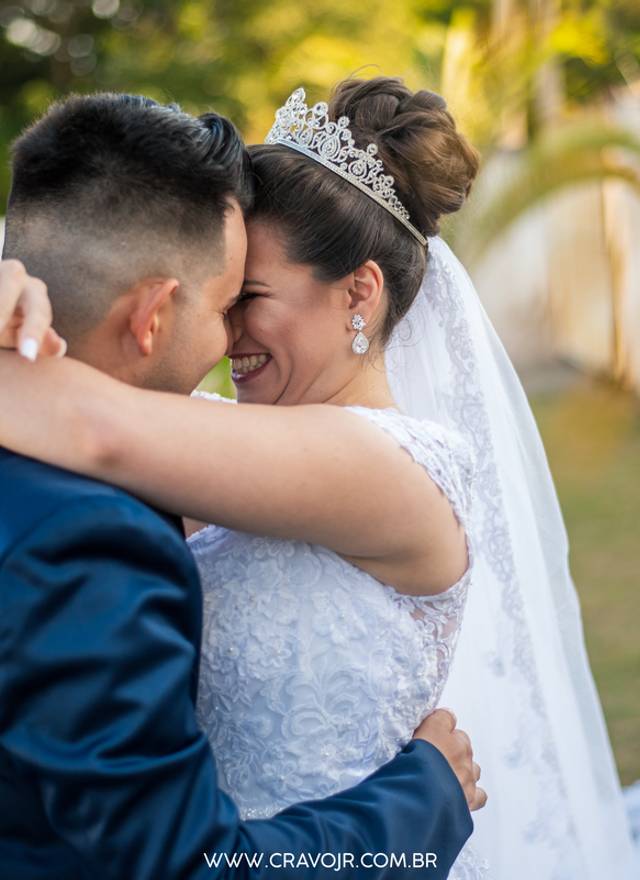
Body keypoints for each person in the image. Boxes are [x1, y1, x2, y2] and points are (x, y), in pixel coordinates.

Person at [4, 75, 636, 878]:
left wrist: (24, 326)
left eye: (248, 296)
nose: (225, 332)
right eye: (219, 299)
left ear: (358, 295)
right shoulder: (231, 446)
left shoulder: (382, 467)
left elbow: (91, 425)